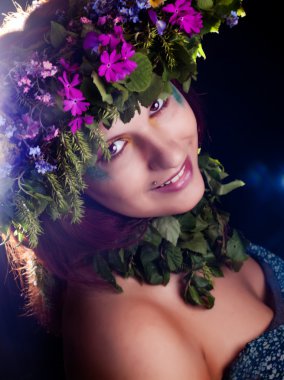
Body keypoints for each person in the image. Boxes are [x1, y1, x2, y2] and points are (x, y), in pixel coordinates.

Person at [0, 1, 283, 379]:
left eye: (157, 104)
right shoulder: (125, 337)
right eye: (114, 148)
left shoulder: (182, 227)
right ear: (66, 187)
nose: (169, 155)